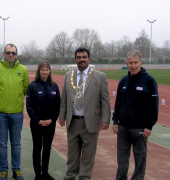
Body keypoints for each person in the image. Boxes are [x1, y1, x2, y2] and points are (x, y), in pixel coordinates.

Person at [59, 47, 111, 180]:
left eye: (84, 57)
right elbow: (64, 97)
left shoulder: (100, 77)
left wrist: (106, 119)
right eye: (79, 57)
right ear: (75, 59)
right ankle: (70, 175)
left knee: (88, 154)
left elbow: (105, 99)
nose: (81, 60)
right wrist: (62, 115)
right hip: (73, 121)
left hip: (90, 121)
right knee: (72, 153)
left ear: (89, 59)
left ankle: (85, 177)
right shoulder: (68, 76)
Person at [112, 50, 159, 180]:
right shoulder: (123, 81)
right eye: (131, 63)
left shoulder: (149, 81)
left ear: (141, 63)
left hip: (140, 129)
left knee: (140, 160)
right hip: (123, 128)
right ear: (127, 64)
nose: (133, 66)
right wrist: (115, 121)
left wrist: (149, 126)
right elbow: (118, 103)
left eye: (136, 63)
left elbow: (154, 106)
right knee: (122, 160)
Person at [0, 44, 29, 180]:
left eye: (13, 52)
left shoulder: (22, 70)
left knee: (16, 143)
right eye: (8, 52)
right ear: (3, 54)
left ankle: (16, 170)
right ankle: (3, 170)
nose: (10, 55)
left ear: (16, 55)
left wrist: (16, 102)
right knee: (1, 143)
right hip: (0, 113)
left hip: (17, 113)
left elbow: (25, 89)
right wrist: (1, 101)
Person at [26, 61, 61, 180]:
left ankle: (45, 172)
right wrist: (37, 120)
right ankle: (38, 174)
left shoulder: (54, 86)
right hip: (37, 123)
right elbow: (29, 106)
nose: (45, 72)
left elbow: (58, 105)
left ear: (50, 71)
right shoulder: (33, 86)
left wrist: (52, 120)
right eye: (42, 69)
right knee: (37, 147)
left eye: (47, 69)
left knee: (47, 148)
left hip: (50, 124)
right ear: (39, 71)